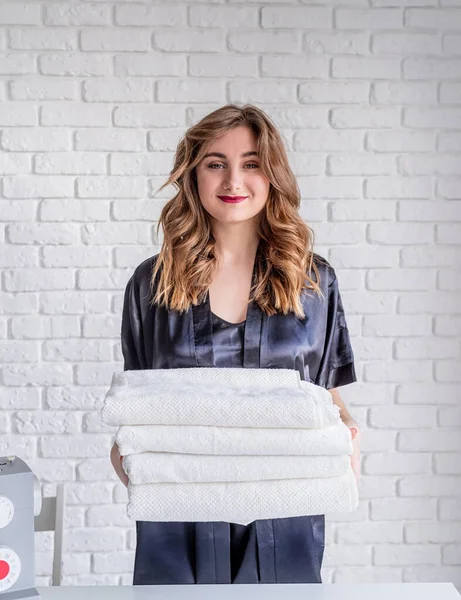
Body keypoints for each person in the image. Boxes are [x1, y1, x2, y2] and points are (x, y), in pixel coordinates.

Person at [110, 103, 361, 585]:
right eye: (215, 164)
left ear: (272, 175)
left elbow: (324, 394)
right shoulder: (152, 284)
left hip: (286, 515)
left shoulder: (314, 282)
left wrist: (347, 428)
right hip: (177, 516)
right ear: (193, 174)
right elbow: (139, 406)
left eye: (250, 164)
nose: (233, 182)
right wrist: (127, 453)